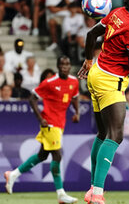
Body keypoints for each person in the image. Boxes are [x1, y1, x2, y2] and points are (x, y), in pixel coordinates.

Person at [77, 0, 129, 204]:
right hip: (110, 80)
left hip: (96, 73)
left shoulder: (116, 13)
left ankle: (92, 190)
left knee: (103, 133)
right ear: (128, 4)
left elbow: (91, 35)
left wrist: (89, 61)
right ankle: (98, 194)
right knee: (116, 135)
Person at [4, 56, 80, 204]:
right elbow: (32, 98)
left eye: (67, 64)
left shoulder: (74, 81)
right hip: (49, 123)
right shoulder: (49, 83)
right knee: (57, 156)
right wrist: (40, 119)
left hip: (60, 124)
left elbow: (75, 97)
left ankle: (13, 174)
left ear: (70, 66)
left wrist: (77, 113)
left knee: (42, 155)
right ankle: (61, 193)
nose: (65, 66)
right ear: (58, 66)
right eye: (62, 64)